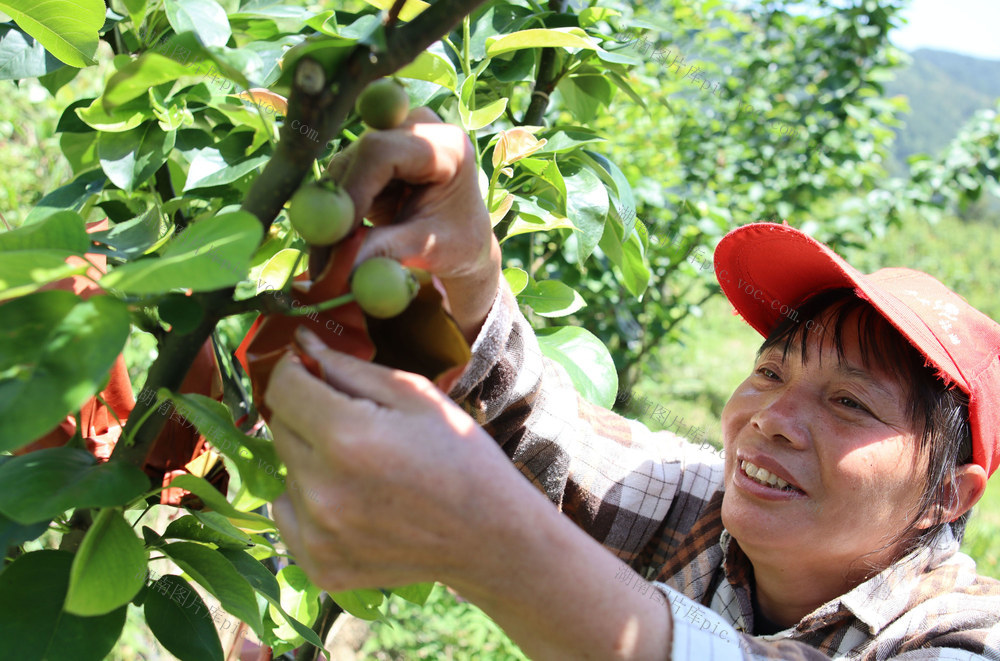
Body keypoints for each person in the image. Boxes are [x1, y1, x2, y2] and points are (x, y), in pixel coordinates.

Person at [263, 108, 1000, 660]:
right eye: (771, 371)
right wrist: (468, 271)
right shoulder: (704, 506)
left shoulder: (963, 636)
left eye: (848, 401)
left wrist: (500, 552)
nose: (773, 417)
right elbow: (536, 432)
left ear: (948, 494)